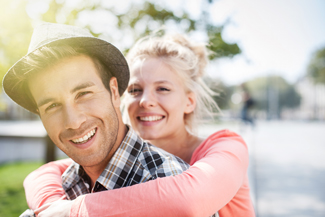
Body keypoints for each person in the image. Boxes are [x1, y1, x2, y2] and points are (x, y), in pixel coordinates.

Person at [21, 33, 255, 216]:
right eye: (135, 90)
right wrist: (52, 207)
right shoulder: (122, 157)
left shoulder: (224, 147)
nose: (145, 101)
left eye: (162, 89)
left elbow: (189, 200)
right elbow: (44, 173)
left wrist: (74, 211)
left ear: (189, 101)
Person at [2, 22, 190, 217]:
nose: (73, 122)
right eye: (52, 106)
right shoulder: (58, 193)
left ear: (115, 92)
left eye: (83, 94)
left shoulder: (172, 188)